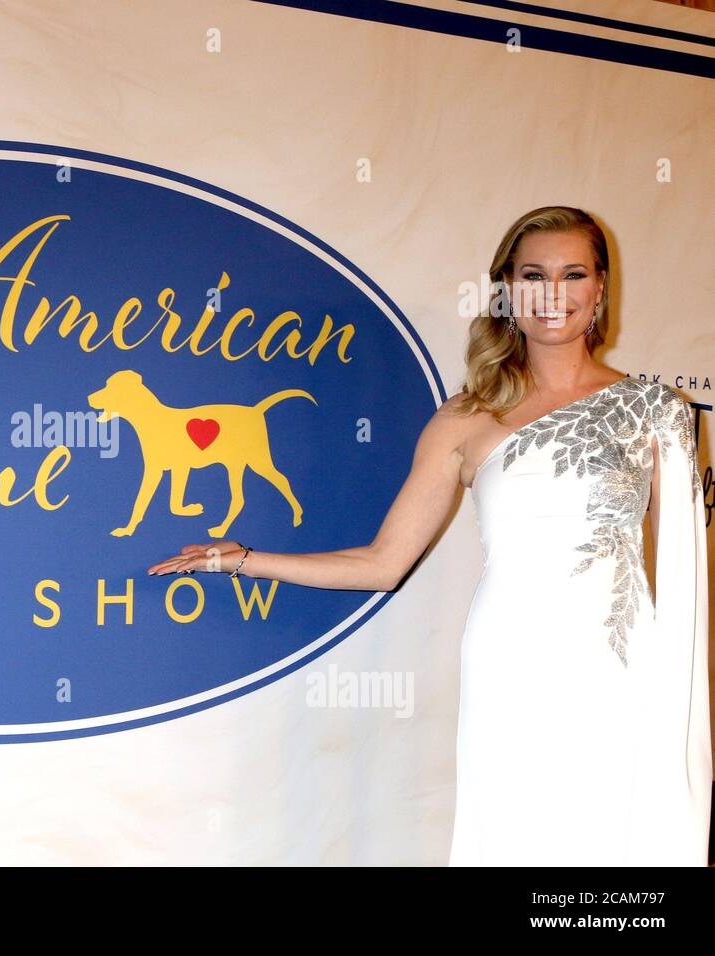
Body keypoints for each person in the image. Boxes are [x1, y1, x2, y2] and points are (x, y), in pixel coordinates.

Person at [147, 205, 710, 866]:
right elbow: (382, 562)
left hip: (620, 663)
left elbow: (680, 574)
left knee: (615, 841)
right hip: (510, 662)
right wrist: (242, 560)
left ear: (601, 290)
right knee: (515, 834)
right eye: (534, 274)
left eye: (573, 274)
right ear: (506, 290)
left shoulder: (657, 410)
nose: (553, 294)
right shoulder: (464, 420)